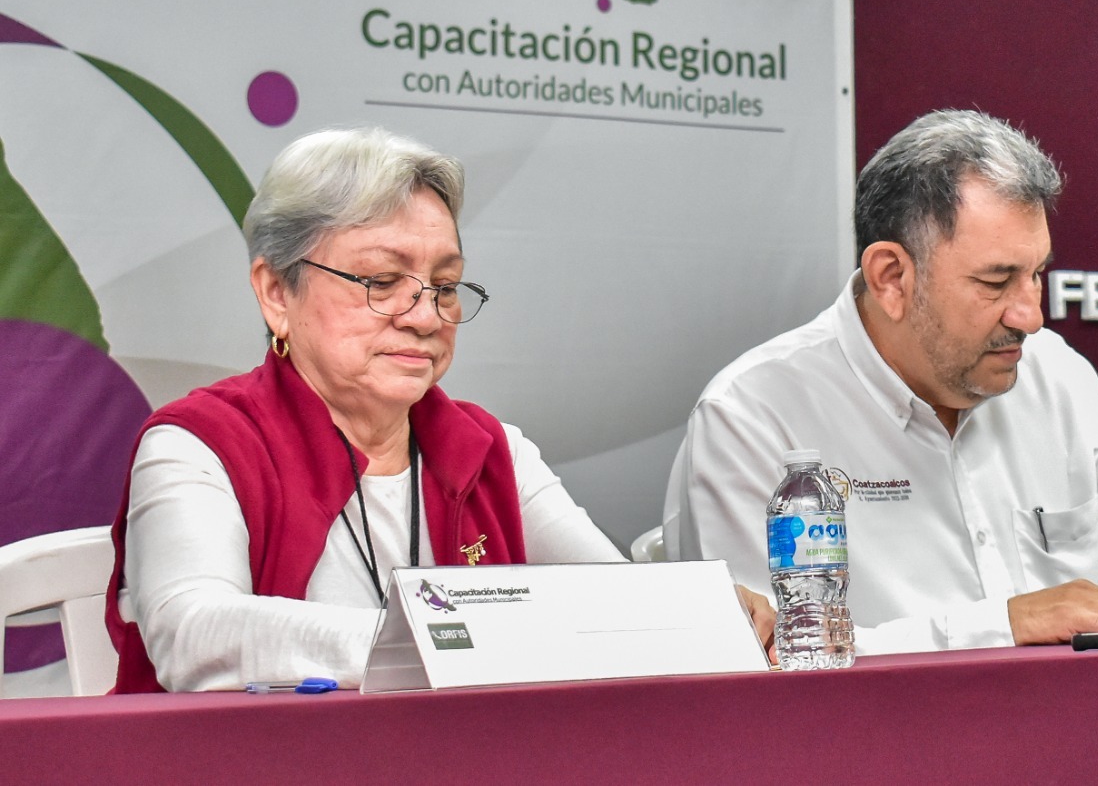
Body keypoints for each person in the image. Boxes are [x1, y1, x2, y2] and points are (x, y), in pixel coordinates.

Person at [664, 109, 1098, 654]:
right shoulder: (753, 416)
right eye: (996, 281)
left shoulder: (1055, 374)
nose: (1031, 315)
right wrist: (1004, 626)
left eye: (1037, 273)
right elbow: (760, 656)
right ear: (891, 276)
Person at [107, 127, 772, 692]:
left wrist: (693, 613)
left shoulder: (489, 449)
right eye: (381, 281)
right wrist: (442, 640)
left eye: (446, 286)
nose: (425, 316)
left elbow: (612, 603)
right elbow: (194, 633)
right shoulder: (200, 443)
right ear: (277, 292)